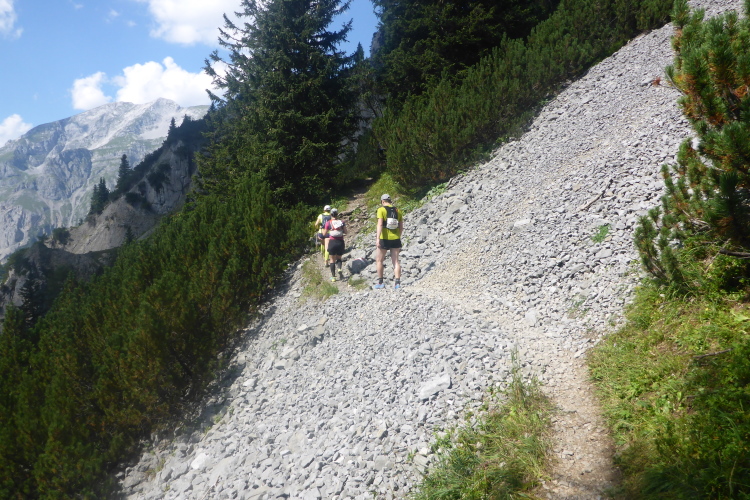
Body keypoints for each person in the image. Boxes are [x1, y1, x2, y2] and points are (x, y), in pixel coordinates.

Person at [374, 194, 403, 289]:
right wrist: (398, 236)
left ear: (382, 201)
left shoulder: (381, 210)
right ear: (390, 201)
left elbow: (380, 224)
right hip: (395, 238)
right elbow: (401, 227)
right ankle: (397, 283)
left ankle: (380, 282)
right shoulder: (398, 211)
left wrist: (377, 238)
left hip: (384, 238)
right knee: (396, 261)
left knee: (379, 260)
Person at [322, 208, 346, 281]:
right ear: (337, 214)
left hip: (332, 242)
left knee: (332, 259)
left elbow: (324, 234)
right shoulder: (342, 222)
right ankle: (339, 268)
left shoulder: (328, 223)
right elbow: (346, 232)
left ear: (331, 214)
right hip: (340, 242)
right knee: (339, 258)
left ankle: (333, 277)